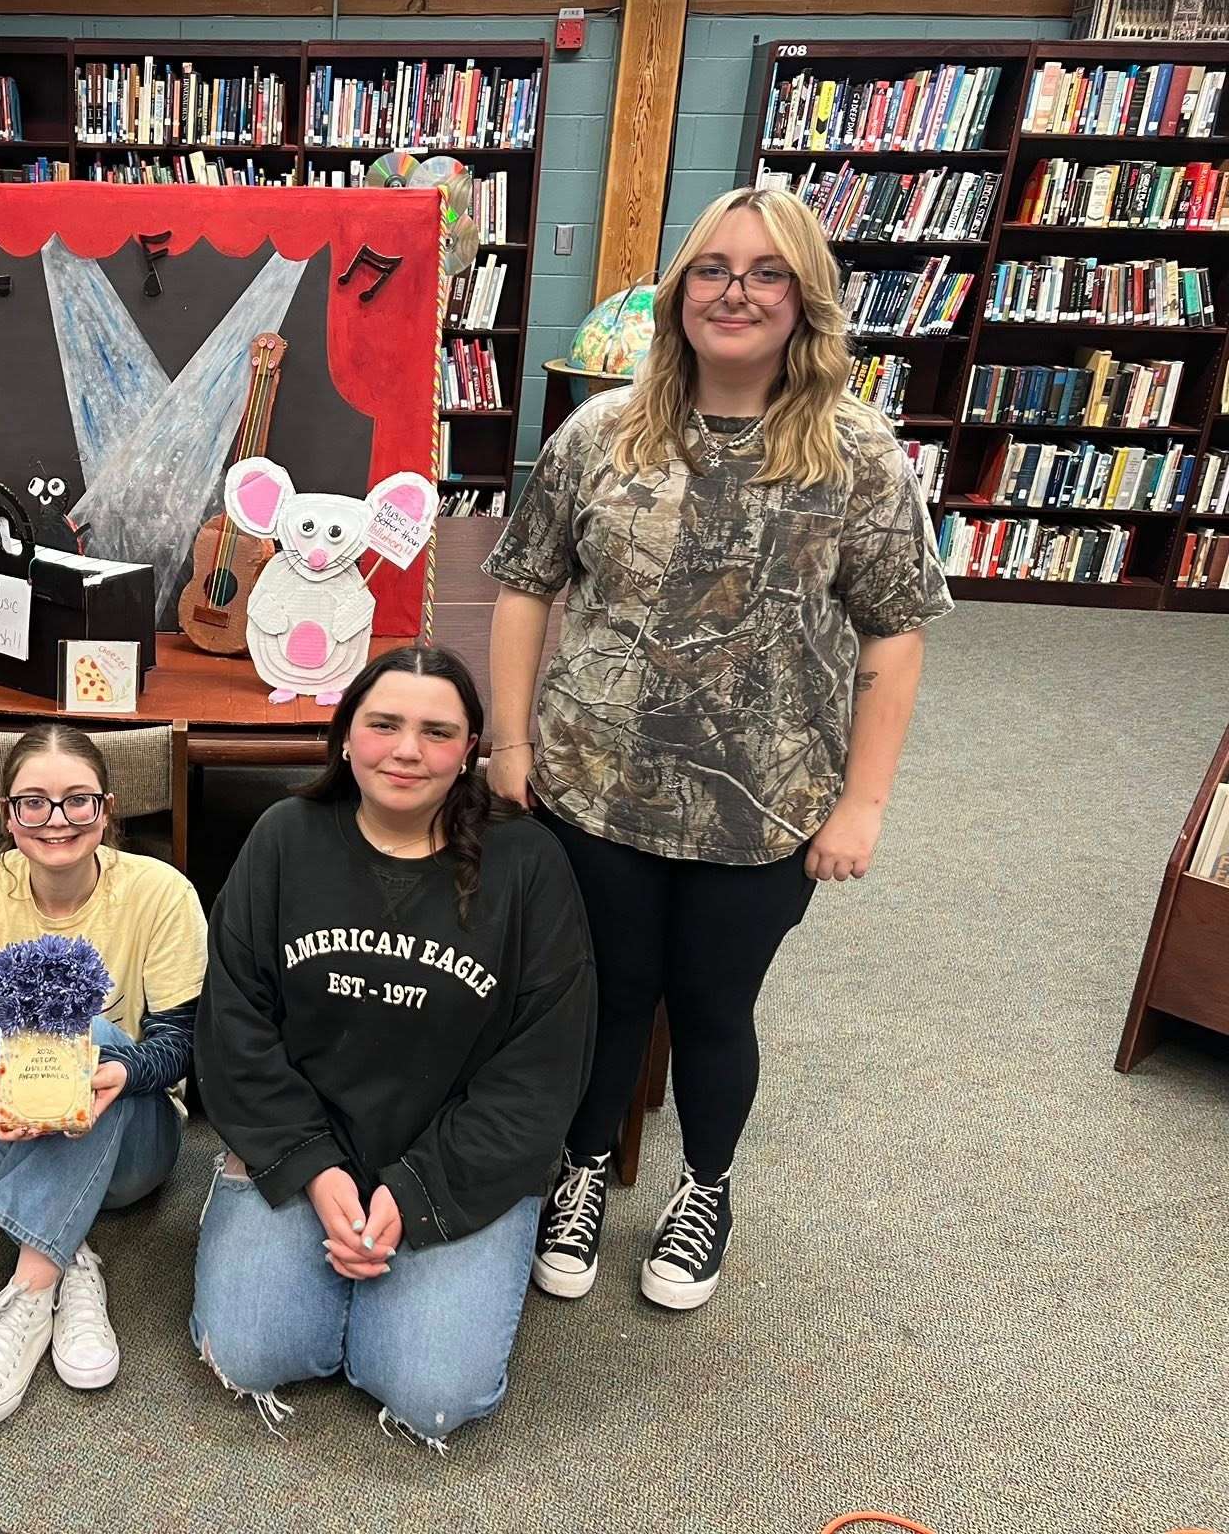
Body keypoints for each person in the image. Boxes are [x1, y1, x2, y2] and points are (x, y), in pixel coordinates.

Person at [483, 185, 952, 1314]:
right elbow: (523, 588)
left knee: (708, 1005)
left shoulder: (858, 456)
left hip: (765, 805)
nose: (733, 292)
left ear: (802, 301)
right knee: (604, 995)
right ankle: (582, 1172)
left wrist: (864, 805)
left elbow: (894, 631)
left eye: (764, 273)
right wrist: (508, 743)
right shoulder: (597, 434)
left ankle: (704, 1186)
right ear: (675, 291)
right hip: (594, 786)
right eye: (710, 268)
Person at [189, 646, 596, 1449]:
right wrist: (309, 1165)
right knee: (253, 1353)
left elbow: (540, 1070)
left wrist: (414, 1192)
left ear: (469, 750)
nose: (407, 750)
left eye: (436, 732)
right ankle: (273, 1211)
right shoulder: (284, 838)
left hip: (455, 1156)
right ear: (346, 736)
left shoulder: (529, 864)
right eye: (383, 724)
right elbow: (234, 1024)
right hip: (308, 1139)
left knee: (430, 1393)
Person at [0, 724, 206, 1433]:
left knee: (86, 1031)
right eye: (33, 803)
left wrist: (116, 1070)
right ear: (6, 816)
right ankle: (69, 1264)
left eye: (78, 801)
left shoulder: (161, 892)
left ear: (108, 809)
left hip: (132, 1150)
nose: (57, 820)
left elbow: (180, 1043)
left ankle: (26, 1290)